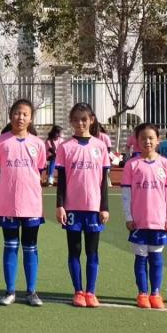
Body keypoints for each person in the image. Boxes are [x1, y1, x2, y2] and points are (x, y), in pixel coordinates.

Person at [0, 99, 47, 307]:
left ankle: (31, 291)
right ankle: (10, 290)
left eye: (25, 114)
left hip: (31, 203)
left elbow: (40, 172)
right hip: (8, 203)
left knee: (30, 246)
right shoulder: (0, 142)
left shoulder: (38, 144)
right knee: (10, 245)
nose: (20, 117)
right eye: (16, 113)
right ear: (10, 115)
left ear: (31, 118)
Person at [55, 102, 110, 308]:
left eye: (84, 119)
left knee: (92, 251)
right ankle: (78, 291)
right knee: (75, 250)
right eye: (76, 120)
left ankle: (91, 291)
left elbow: (103, 181)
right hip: (72, 208)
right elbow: (61, 180)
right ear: (71, 121)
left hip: (93, 208)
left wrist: (104, 207)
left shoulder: (100, 146)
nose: (80, 123)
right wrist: (60, 205)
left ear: (91, 120)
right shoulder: (65, 147)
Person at [121, 123, 167, 310]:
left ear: (158, 140)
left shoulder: (166, 165)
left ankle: (156, 293)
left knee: (157, 258)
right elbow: (126, 194)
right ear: (137, 141)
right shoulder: (132, 165)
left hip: (159, 221)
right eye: (143, 138)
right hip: (139, 221)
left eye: (151, 138)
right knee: (141, 258)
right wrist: (128, 216)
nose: (147, 141)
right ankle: (142, 293)